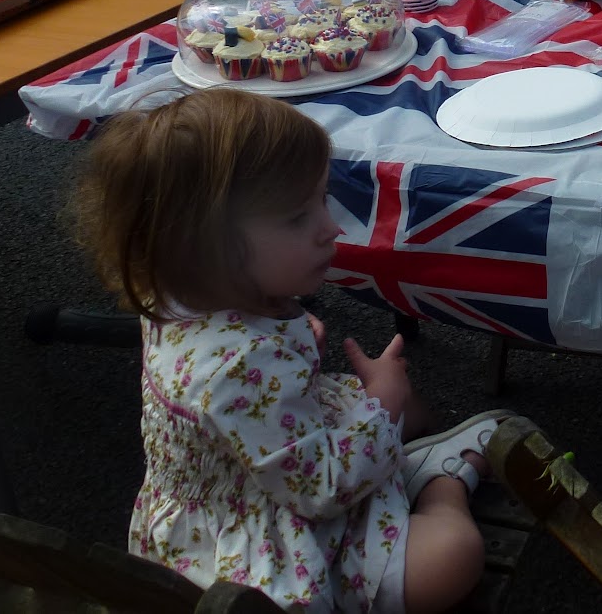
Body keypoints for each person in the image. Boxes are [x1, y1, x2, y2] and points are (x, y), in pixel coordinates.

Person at [71, 87, 512, 613]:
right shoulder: (236, 366)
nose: (331, 229)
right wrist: (384, 402)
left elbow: (221, 375)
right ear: (205, 248)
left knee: (400, 414)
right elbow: (319, 489)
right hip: (271, 531)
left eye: (321, 201)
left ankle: (395, 459)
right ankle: (440, 479)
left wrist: (286, 329)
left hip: (254, 476)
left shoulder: (174, 288)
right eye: (296, 218)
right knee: (453, 556)